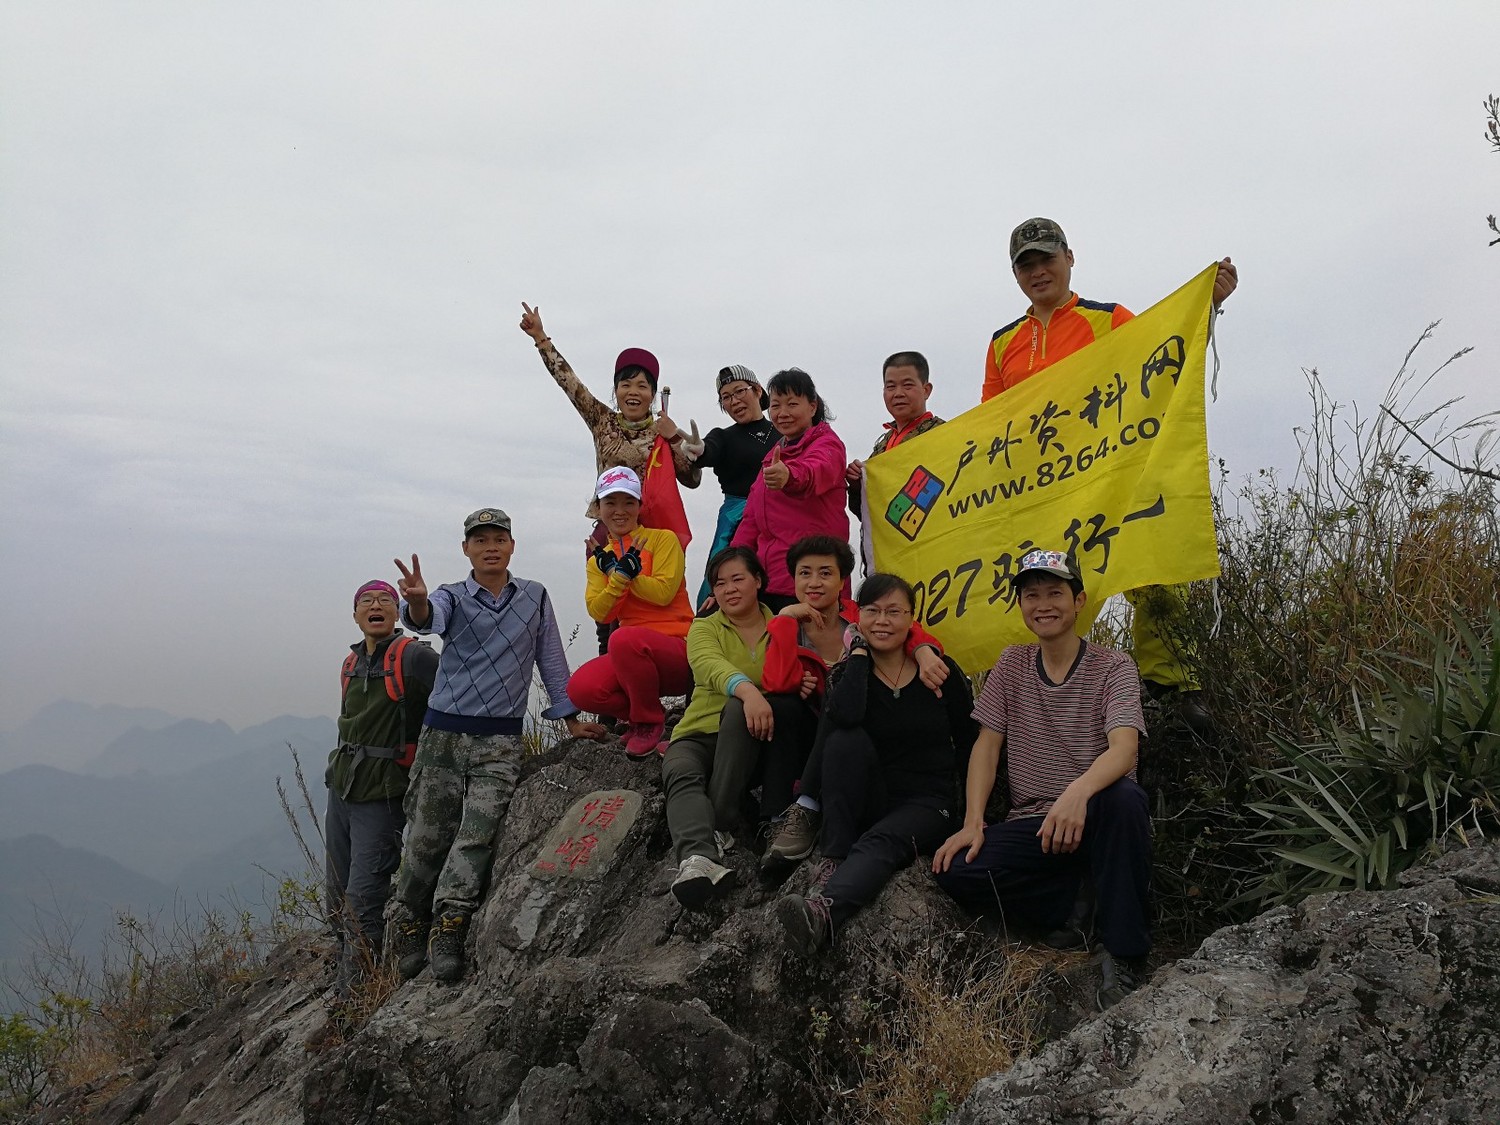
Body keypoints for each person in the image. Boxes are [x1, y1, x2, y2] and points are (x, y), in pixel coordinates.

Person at [980, 218, 1238, 729]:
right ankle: (1043, 698)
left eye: (1046, 259)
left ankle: (1170, 690)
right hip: (1044, 495)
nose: (1038, 272)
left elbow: (1168, 353)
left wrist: (1207, 305)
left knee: (1154, 573)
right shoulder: (1002, 342)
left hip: (1116, 479)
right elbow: (991, 423)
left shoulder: (1107, 318)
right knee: (1046, 591)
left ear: (1069, 258)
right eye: (1025, 265)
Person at [389, 508, 606, 984]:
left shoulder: (534, 596)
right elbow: (428, 621)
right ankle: (407, 921)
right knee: (428, 835)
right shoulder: (450, 596)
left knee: (476, 837)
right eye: (480, 539)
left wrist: (569, 718)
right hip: (443, 736)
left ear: (512, 545)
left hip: (500, 741)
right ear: (466, 549)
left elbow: (550, 657)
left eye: (499, 538)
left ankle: (449, 925)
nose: (490, 546)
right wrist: (418, 602)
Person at [931, 548, 1152, 1010]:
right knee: (957, 869)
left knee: (1127, 799)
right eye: (1032, 595)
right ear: (1021, 606)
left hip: (1095, 814)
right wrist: (974, 821)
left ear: (1079, 600)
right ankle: (1076, 899)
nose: (1043, 604)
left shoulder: (1113, 666)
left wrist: (1078, 792)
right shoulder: (1010, 666)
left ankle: (1125, 953)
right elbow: (986, 746)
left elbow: (1124, 748)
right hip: (1035, 823)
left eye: (1055, 592)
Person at [775, 573, 974, 955]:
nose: (883, 620)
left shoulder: (940, 672)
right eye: (872, 611)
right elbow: (845, 717)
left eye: (894, 612)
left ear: (911, 618)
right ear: (859, 617)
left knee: (880, 842)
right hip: (873, 795)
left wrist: (972, 814)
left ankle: (824, 913)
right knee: (844, 740)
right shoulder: (850, 673)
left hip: (928, 802)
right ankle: (834, 856)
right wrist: (861, 655)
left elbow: (970, 741)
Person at [757, 536, 950, 872]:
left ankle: (808, 809)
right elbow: (776, 681)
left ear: (842, 580)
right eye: (804, 573)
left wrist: (920, 648)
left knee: (843, 712)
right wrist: (787, 617)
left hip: (858, 733)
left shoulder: (863, 615)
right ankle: (782, 818)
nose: (814, 583)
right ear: (793, 579)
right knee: (781, 705)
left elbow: (907, 627)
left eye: (825, 573)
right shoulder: (788, 623)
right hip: (812, 737)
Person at [519, 302, 694, 652]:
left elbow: (692, 479)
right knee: (607, 620)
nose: (633, 392)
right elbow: (571, 384)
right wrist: (541, 339)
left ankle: (663, 671)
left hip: (654, 534)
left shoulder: (664, 429)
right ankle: (612, 695)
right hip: (609, 526)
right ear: (615, 391)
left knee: (654, 607)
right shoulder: (602, 421)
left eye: (643, 385)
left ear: (652, 394)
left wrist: (675, 437)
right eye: (625, 384)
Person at [309, 579, 439, 1046]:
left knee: (363, 901)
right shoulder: (351, 662)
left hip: (382, 797)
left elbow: (449, 699)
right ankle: (352, 980)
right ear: (356, 615)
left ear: (399, 610)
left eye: (385, 600)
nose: (376, 606)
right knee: (336, 898)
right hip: (341, 790)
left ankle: (351, 1010)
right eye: (367, 602)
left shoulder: (413, 657)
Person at [660, 547, 801, 908]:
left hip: (753, 740)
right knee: (679, 769)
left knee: (739, 711)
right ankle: (696, 860)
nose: (729, 589)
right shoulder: (704, 628)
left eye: (738, 579)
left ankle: (721, 819)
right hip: (699, 731)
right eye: (719, 583)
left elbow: (799, 672)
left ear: (758, 580)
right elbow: (708, 665)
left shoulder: (783, 628)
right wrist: (749, 688)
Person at [567, 467, 694, 758]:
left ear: (640, 506)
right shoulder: (599, 560)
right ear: (598, 508)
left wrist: (627, 575)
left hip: (680, 649)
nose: (619, 511)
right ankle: (649, 712)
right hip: (633, 661)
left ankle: (646, 724)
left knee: (623, 639)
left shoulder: (664, 540)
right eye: (610, 503)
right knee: (581, 689)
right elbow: (601, 613)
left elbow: (663, 594)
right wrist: (619, 576)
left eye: (628, 502)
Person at [730, 368, 849, 611]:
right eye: (775, 405)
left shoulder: (828, 444)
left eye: (792, 404)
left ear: (813, 407)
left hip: (811, 586)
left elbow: (815, 470)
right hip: (769, 584)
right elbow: (751, 522)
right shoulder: (773, 456)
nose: (782, 413)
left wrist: (790, 476)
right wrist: (732, 570)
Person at [676, 365, 777, 609]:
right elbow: (709, 449)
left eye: (739, 391)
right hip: (735, 519)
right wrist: (699, 451)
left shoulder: (782, 430)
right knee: (720, 580)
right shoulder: (723, 436)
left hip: (778, 517)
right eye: (726, 397)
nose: (734, 401)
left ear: (757, 390)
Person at [845, 351, 946, 520]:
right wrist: (857, 485)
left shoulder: (943, 435)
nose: (898, 393)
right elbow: (868, 515)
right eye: (891, 387)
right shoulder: (882, 446)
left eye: (907, 385)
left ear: (926, 390)